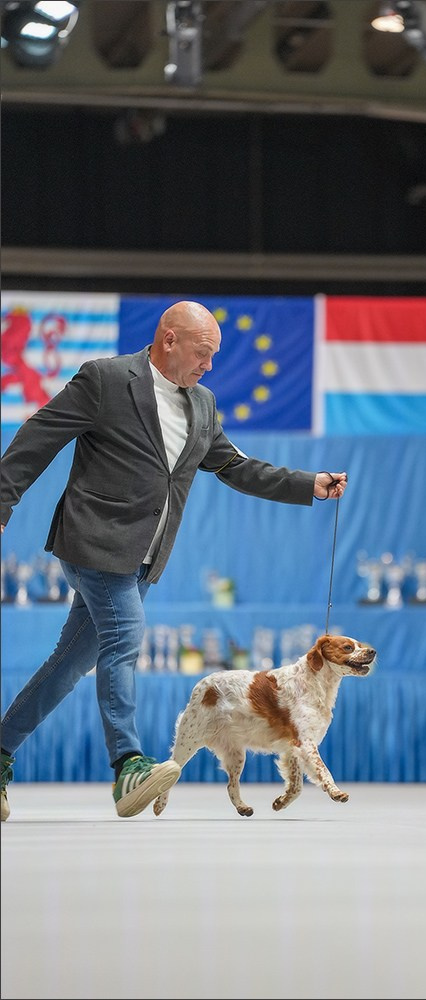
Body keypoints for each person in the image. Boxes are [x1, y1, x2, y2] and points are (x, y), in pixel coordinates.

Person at [0, 300, 347, 821]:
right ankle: (129, 766)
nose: (209, 365)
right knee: (123, 638)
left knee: (70, 663)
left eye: (214, 356)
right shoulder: (105, 379)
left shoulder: (202, 403)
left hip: (143, 557)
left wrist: (308, 484)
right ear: (169, 340)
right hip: (93, 542)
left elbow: (235, 466)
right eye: (202, 353)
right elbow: (37, 437)